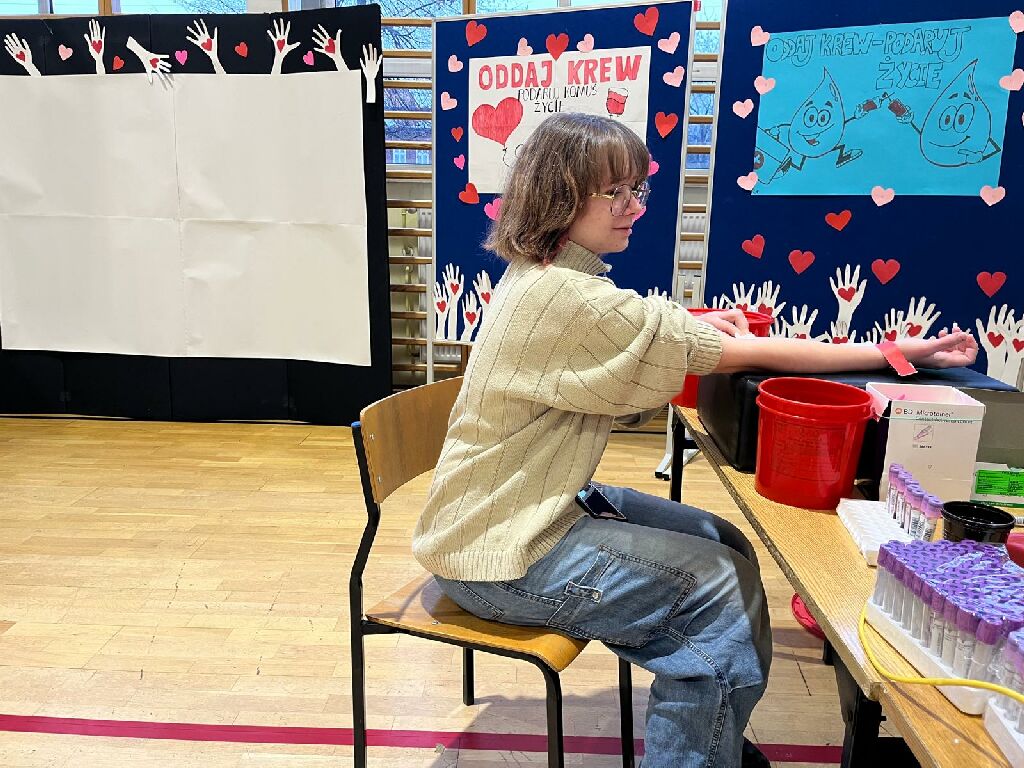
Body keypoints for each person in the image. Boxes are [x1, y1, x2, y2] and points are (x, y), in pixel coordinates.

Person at [412, 112, 978, 768]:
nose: (633, 208)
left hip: (512, 513)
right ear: (561, 195)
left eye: (637, 190)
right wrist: (892, 354)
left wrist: (702, 324)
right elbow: (730, 350)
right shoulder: (570, 298)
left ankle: (707, 735)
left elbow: (651, 324)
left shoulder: (545, 275)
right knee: (718, 591)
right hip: (497, 553)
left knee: (725, 545)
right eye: (614, 193)